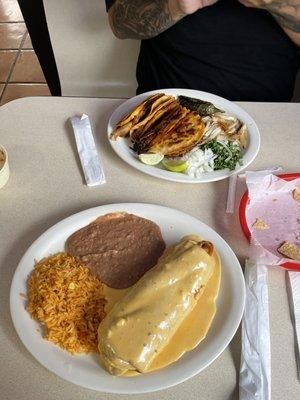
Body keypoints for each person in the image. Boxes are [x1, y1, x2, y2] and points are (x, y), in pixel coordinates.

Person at [105, 0, 300, 101]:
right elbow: (119, 24)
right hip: (165, 106)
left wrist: (279, 4)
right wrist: (175, 5)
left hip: (270, 114)